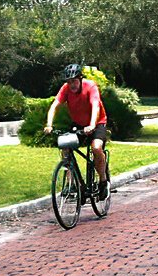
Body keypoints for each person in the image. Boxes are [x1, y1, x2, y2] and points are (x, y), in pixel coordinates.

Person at [44, 64, 109, 196]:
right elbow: (54, 106)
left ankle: (103, 181)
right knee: (66, 147)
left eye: (74, 81)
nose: (71, 84)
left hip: (97, 123)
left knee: (96, 148)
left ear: (80, 78)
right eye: (69, 82)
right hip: (78, 124)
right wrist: (49, 125)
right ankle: (71, 185)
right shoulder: (66, 89)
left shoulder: (90, 86)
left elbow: (95, 106)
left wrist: (91, 125)